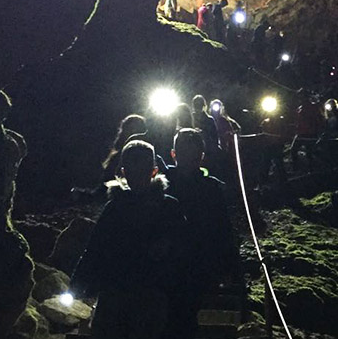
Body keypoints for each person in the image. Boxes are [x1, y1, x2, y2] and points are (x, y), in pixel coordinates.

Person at [70, 141, 186, 339]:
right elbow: (96, 247)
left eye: (142, 170)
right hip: (120, 293)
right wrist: (78, 283)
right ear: (124, 172)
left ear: (153, 171)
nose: (137, 176)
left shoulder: (167, 209)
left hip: (148, 293)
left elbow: (182, 250)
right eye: (133, 171)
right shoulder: (117, 208)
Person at [162, 129, 239, 339]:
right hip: (182, 264)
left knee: (179, 318)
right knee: (181, 319)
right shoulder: (209, 188)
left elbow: (222, 228)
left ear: (173, 153)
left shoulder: (162, 185)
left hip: (187, 265)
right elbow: (223, 228)